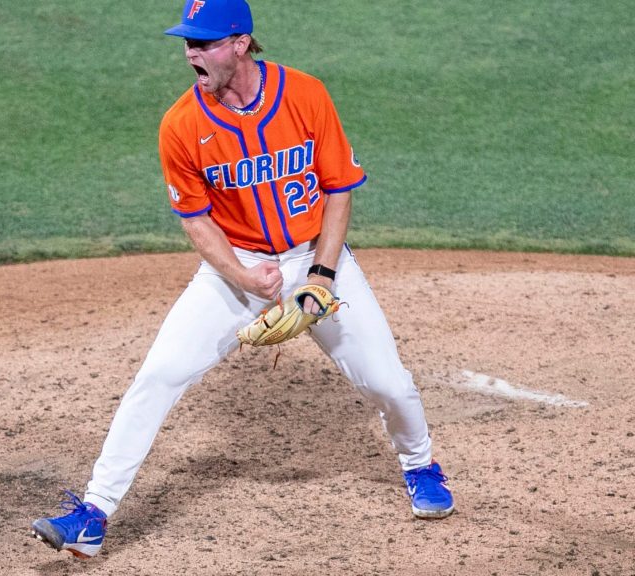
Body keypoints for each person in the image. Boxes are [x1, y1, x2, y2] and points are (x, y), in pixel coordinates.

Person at [30, 0, 454, 559]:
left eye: (202, 43)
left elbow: (338, 188)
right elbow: (196, 219)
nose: (190, 54)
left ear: (239, 43)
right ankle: (94, 512)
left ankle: (420, 463)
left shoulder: (305, 94)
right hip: (233, 269)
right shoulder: (181, 124)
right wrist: (242, 277)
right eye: (187, 43)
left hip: (317, 256)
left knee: (387, 383)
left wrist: (321, 277)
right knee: (159, 374)